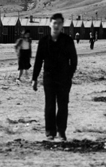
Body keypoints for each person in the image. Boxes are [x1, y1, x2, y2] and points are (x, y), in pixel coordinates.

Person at [31, 13, 78, 141]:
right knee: (50, 104)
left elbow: (73, 60)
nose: (56, 25)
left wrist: (69, 75)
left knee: (63, 105)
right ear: (50, 24)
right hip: (49, 78)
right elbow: (38, 61)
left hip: (64, 78)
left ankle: (61, 131)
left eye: (59, 23)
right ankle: (50, 132)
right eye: (54, 23)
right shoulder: (43, 42)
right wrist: (34, 78)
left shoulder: (67, 41)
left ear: (62, 25)